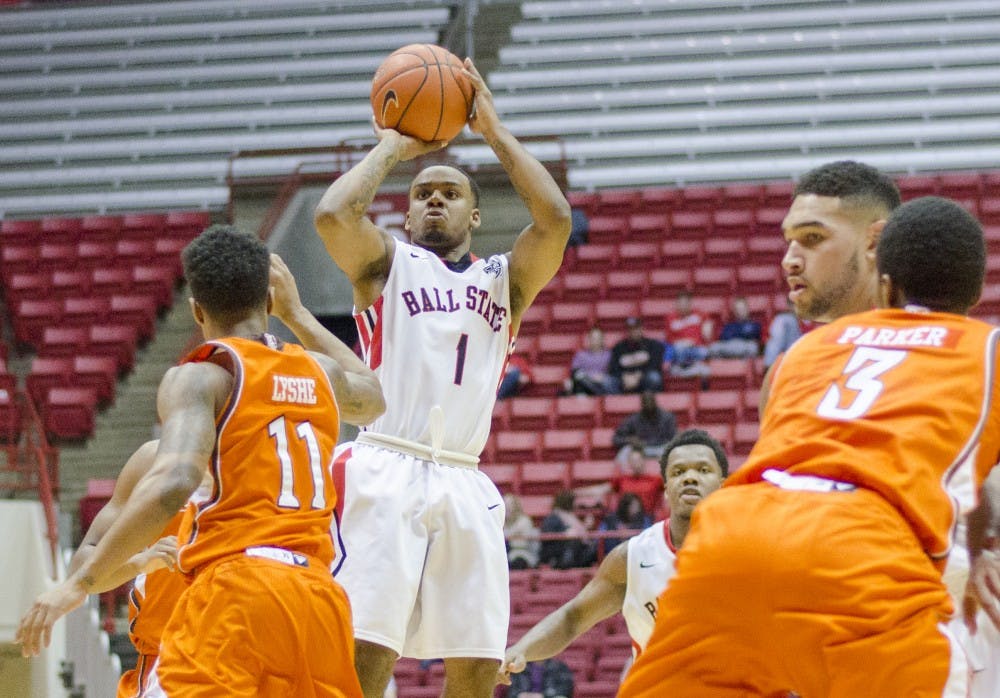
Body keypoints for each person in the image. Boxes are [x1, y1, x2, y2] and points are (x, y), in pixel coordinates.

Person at [619, 197, 1000, 697]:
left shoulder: (806, 349)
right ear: (975, 293)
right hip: (864, 546)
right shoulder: (987, 348)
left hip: (733, 538)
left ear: (884, 282)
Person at [17, 226, 386, 698]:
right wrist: (297, 314)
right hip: (317, 600)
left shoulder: (203, 376)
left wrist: (76, 586)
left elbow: (176, 479)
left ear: (195, 309)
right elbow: (374, 398)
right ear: (268, 300)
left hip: (239, 591)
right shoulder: (321, 373)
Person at [311, 57, 571, 697]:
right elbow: (332, 216)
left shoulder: (505, 280)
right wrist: (395, 144)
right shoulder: (384, 264)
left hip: (463, 473)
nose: (434, 199)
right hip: (384, 463)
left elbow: (556, 220)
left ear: (475, 216)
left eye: (450, 193)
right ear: (407, 212)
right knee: (365, 657)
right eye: (422, 192)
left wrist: (494, 130)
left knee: (479, 664)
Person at [772, 161, 998, 697]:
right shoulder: (799, 362)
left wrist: (984, 538)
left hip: (952, 611)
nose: (789, 260)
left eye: (811, 239)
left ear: (877, 242)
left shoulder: (968, 351)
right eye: (788, 240)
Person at [499, 430, 728, 687]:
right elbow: (573, 618)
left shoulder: (751, 552)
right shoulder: (633, 557)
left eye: (703, 470)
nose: (690, 478)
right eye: (678, 472)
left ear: (722, 484)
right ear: (665, 488)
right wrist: (522, 649)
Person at [611, 390, 677, 461]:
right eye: (646, 402)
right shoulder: (633, 420)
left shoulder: (667, 418)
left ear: (655, 402)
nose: (649, 404)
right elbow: (616, 439)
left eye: (650, 401)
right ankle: (623, 472)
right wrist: (630, 440)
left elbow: (674, 438)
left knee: (675, 452)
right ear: (642, 404)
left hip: (662, 448)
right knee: (624, 452)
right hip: (641, 448)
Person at [539, 490, 596, 570]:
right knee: (574, 542)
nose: (576, 505)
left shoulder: (571, 517)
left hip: (576, 552)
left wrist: (586, 527)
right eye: (574, 502)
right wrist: (564, 534)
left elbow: (580, 534)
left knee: (595, 546)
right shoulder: (553, 518)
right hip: (558, 555)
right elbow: (547, 537)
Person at [606, 317, 664, 394]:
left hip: (644, 378)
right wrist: (624, 376)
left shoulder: (653, 345)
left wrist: (638, 375)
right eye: (630, 329)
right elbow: (613, 368)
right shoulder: (618, 347)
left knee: (654, 377)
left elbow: (655, 365)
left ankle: (649, 403)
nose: (633, 332)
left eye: (636, 329)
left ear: (642, 329)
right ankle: (617, 404)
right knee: (608, 382)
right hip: (625, 380)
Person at [663, 291, 712, 379]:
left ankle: (685, 371)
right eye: (680, 303)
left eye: (685, 303)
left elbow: (708, 326)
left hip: (696, 348)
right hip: (679, 349)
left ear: (690, 303)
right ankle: (690, 370)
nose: (683, 305)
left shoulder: (699, 314)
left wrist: (708, 326)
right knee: (678, 349)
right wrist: (682, 342)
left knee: (705, 352)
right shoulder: (671, 318)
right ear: (677, 304)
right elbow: (668, 340)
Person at [567, 326, 611, 395]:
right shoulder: (581, 355)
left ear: (602, 339)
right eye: (593, 338)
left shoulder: (610, 355)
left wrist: (603, 377)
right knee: (576, 382)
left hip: (603, 386)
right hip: (584, 386)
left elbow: (614, 374)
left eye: (598, 338)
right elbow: (574, 373)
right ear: (589, 339)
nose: (595, 341)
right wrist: (590, 377)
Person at [762, 297, 804, 369]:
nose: (795, 307)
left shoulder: (812, 320)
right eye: (792, 304)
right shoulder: (785, 320)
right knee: (784, 320)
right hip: (791, 360)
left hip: (806, 357)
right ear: (789, 306)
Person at [505, 492, 541, 570]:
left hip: (522, 553)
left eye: (510, 504)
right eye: (505, 504)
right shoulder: (501, 522)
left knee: (518, 561)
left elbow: (522, 543)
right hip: (505, 555)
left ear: (515, 506)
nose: (507, 507)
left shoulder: (524, 520)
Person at [506, 658, 574, 698]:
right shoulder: (520, 667)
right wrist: (520, 694)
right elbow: (511, 688)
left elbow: (566, 689)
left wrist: (543, 695)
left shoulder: (559, 666)